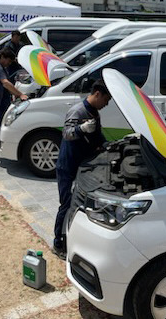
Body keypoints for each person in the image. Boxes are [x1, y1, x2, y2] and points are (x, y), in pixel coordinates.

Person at [53, 80, 111, 259]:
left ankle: (75, 238)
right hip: (67, 165)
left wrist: (105, 144)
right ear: (97, 94)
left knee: (79, 204)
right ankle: (58, 243)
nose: (106, 104)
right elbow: (66, 133)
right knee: (66, 204)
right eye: (106, 100)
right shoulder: (78, 111)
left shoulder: (94, 112)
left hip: (83, 165)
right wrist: (81, 129)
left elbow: (96, 134)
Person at [0, 30, 24, 149]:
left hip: (4, 95)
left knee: (2, 117)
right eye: (8, 61)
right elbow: (5, 83)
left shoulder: (4, 67)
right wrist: (20, 94)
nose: (9, 62)